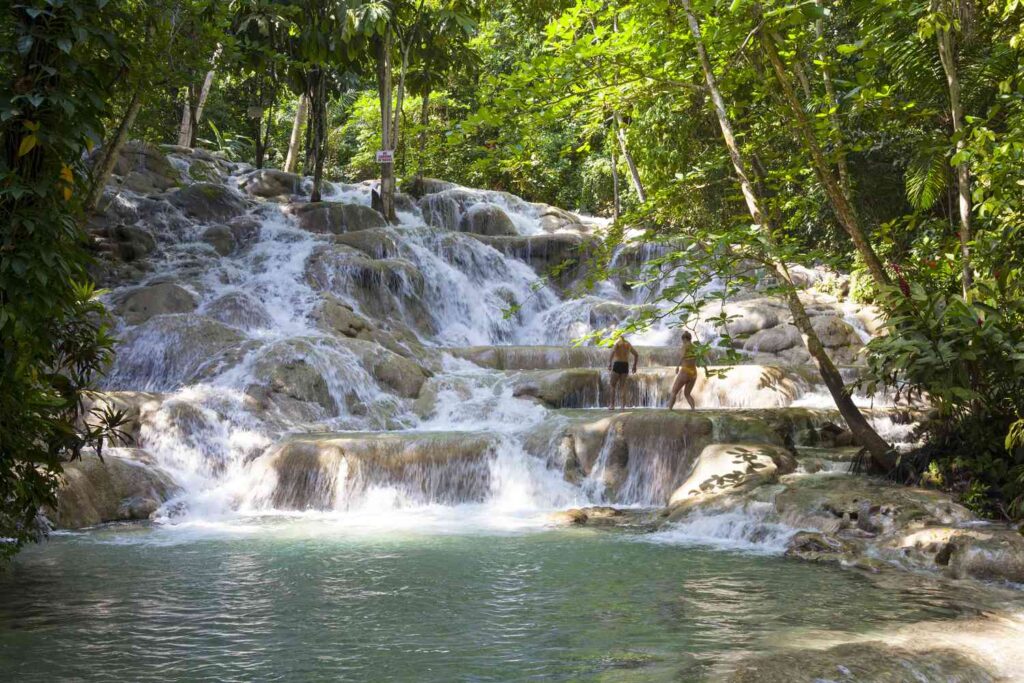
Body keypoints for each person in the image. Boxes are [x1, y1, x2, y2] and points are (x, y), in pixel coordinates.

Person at [607, 335, 639, 410]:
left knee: (612, 385)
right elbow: (636, 354)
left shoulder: (617, 343)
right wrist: (634, 366)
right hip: (625, 365)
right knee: (622, 386)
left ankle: (612, 405)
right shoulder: (628, 344)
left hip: (617, 364)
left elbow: (612, 352)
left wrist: (609, 363)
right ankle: (622, 406)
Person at [668, 331, 698, 410]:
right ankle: (693, 410)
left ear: (684, 339)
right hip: (694, 372)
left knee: (674, 391)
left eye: (683, 340)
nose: (683, 342)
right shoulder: (694, 347)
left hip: (685, 371)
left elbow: (682, 356)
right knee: (687, 394)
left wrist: (677, 366)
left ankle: (669, 410)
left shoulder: (685, 346)